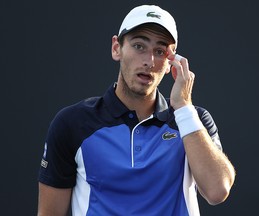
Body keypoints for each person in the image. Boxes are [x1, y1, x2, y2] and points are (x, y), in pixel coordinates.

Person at [37, 4, 235, 216]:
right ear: (116, 48)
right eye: (139, 46)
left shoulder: (192, 120)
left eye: (160, 51)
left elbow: (217, 191)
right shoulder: (72, 123)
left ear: (171, 63)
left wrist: (184, 107)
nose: (149, 61)